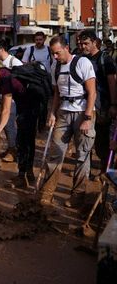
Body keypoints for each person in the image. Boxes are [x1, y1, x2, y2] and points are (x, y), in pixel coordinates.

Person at [40, 36, 97, 208]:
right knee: (55, 152)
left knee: (82, 155)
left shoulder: (83, 63)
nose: (55, 56)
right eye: (53, 54)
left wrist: (87, 118)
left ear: (66, 48)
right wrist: (52, 113)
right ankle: (47, 193)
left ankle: (77, 195)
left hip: (82, 112)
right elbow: (56, 93)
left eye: (57, 53)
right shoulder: (54, 66)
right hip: (64, 112)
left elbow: (92, 93)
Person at [0, 59, 40, 188]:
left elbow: (6, 111)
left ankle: (26, 177)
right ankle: (25, 175)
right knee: (24, 141)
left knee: (25, 142)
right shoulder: (3, 72)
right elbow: (3, 107)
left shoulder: (6, 80)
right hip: (25, 107)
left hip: (30, 108)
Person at [78, 30, 117, 174]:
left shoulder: (105, 59)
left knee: (102, 140)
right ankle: (84, 169)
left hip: (103, 106)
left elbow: (112, 83)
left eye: (86, 43)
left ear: (95, 43)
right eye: (81, 44)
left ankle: (104, 169)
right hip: (86, 105)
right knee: (85, 138)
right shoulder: (81, 59)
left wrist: (113, 105)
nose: (83, 47)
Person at [0, 39, 23, 162]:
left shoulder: (14, 62)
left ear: (2, 49)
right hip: (3, 96)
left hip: (14, 99)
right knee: (4, 124)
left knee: (9, 124)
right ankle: (11, 147)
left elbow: (21, 82)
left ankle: (13, 150)